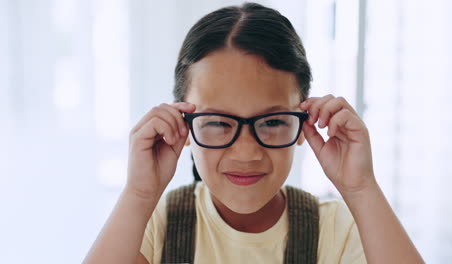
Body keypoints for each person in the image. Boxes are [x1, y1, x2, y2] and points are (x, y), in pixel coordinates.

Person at [83, 2, 424, 264]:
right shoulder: (152, 228)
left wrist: (361, 188)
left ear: (304, 122)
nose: (246, 153)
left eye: (273, 122)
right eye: (218, 122)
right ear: (182, 125)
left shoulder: (335, 231)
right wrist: (138, 195)